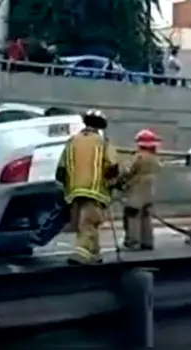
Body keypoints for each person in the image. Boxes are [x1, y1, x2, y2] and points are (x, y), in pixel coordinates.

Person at [55, 109, 120, 265]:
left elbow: (61, 170)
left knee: (84, 222)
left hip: (74, 191)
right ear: (100, 127)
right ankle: (81, 254)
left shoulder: (72, 141)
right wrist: (114, 184)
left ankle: (95, 253)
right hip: (95, 190)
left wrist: (67, 187)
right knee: (89, 222)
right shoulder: (103, 143)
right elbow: (112, 167)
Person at [121, 129, 163, 251]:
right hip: (149, 193)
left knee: (132, 216)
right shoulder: (156, 159)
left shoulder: (138, 157)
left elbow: (127, 171)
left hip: (136, 192)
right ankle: (147, 242)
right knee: (146, 217)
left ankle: (133, 242)